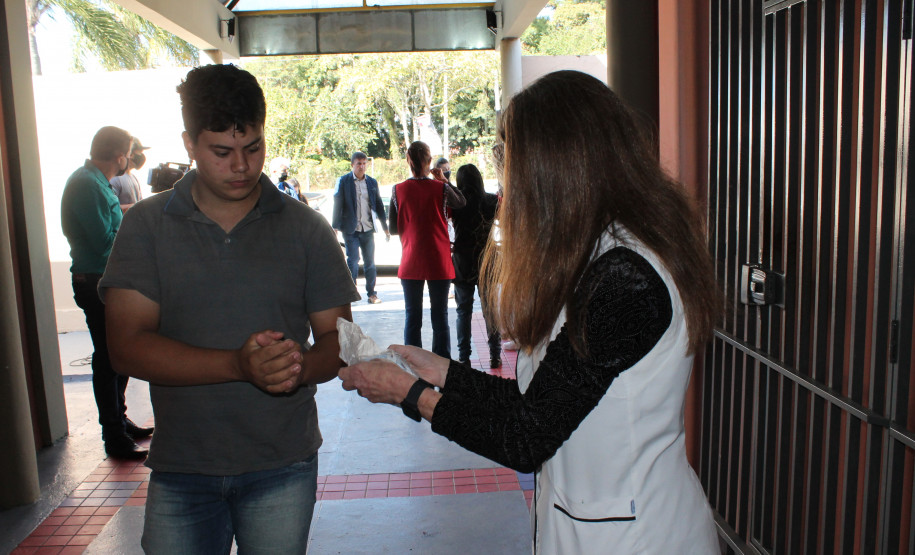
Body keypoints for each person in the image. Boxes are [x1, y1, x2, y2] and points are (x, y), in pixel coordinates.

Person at [340, 70, 721, 553]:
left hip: (639, 538)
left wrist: (409, 393)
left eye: (510, 160)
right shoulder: (598, 255)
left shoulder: (627, 278)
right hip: (591, 528)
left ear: (555, 169)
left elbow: (525, 437)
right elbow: (538, 401)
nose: (507, 184)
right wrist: (441, 371)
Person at [100, 64, 359, 553]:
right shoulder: (147, 227)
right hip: (182, 467)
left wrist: (294, 368)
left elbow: (339, 340)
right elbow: (126, 347)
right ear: (189, 144)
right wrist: (238, 366)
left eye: (253, 147)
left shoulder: (306, 229)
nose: (241, 166)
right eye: (222, 152)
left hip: (282, 462)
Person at [60, 125, 153, 460]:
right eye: (129, 153)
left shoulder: (97, 181)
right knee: (108, 357)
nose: (131, 158)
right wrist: (136, 230)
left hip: (107, 279)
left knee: (118, 354)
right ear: (118, 155)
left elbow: (108, 226)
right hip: (95, 281)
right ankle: (113, 435)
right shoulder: (86, 184)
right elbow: (103, 240)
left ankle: (120, 420)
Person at [388, 141, 465, 358]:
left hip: (411, 260)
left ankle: (413, 363)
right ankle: (441, 364)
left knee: (412, 317)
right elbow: (461, 202)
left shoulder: (397, 190)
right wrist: (444, 180)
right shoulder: (441, 189)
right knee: (440, 317)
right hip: (438, 260)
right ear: (430, 161)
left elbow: (393, 228)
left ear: (408, 160)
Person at [449, 164, 502, 368]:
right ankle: (495, 355)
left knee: (463, 311)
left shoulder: (457, 203)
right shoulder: (492, 200)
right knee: (490, 310)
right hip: (487, 260)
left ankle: (464, 357)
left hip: (463, 261)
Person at [332, 151, 390, 303]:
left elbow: (378, 204)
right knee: (353, 261)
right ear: (352, 165)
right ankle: (351, 293)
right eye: (359, 164)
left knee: (370, 263)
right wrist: (335, 226)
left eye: (364, 163)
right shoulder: (344, 181)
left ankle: (372, 294)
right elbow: (338, 203)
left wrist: (385, 227)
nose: (362, 167)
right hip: (351, 229)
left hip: (368, 228)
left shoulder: (371, 182)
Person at [109, 137, 149, 212]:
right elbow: (110, 209)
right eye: (138, 153)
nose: (140, 157)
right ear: (129, 154)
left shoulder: (133, 178)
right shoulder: (115, 178)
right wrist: (136, 207)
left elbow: (140, 203)